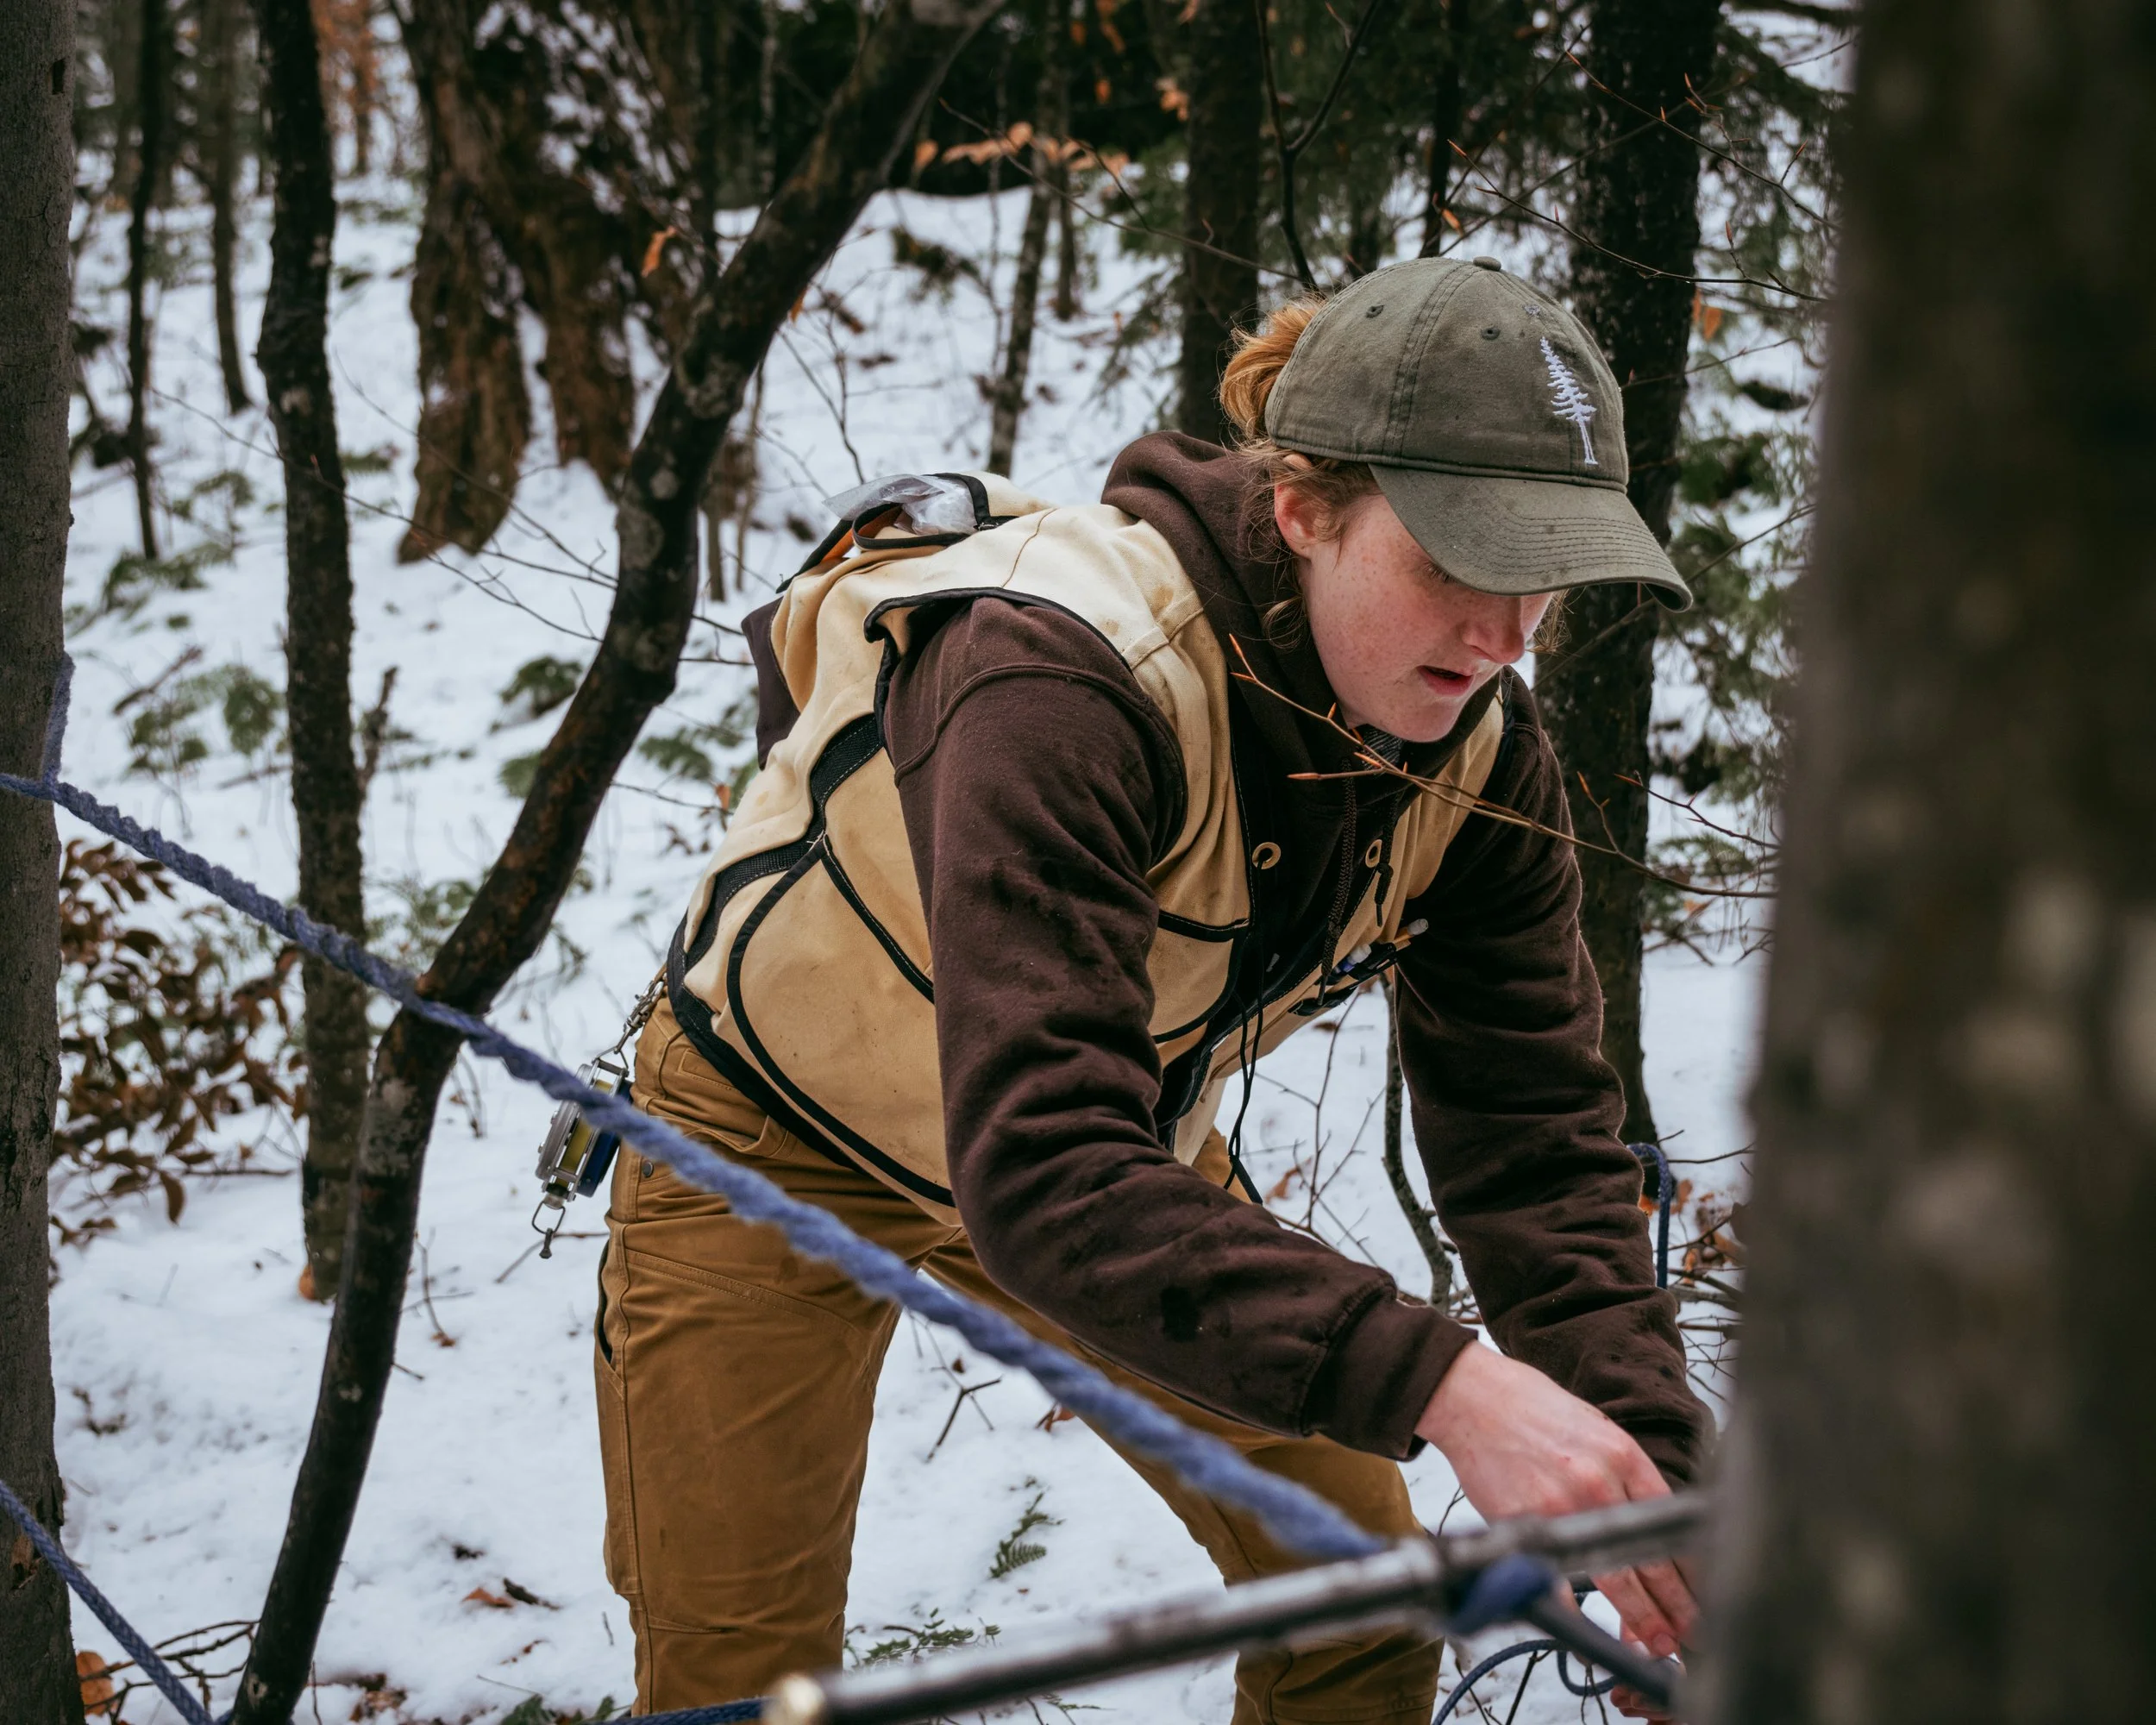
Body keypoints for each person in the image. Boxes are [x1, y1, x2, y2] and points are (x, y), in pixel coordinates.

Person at [594, 254, 1710, 1722]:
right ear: (1305, 508)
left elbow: (1537, 1143)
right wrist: (1450, 1384)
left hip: (1105, 1157)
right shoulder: (1056, 675)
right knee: (741, 1687)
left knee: (1360, 1607)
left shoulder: (1485, 763)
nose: (1507, 640)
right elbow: (1046, 1166)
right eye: (1459, 563)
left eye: (1545, 577)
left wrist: (1646, 1485)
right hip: (769, 1141)